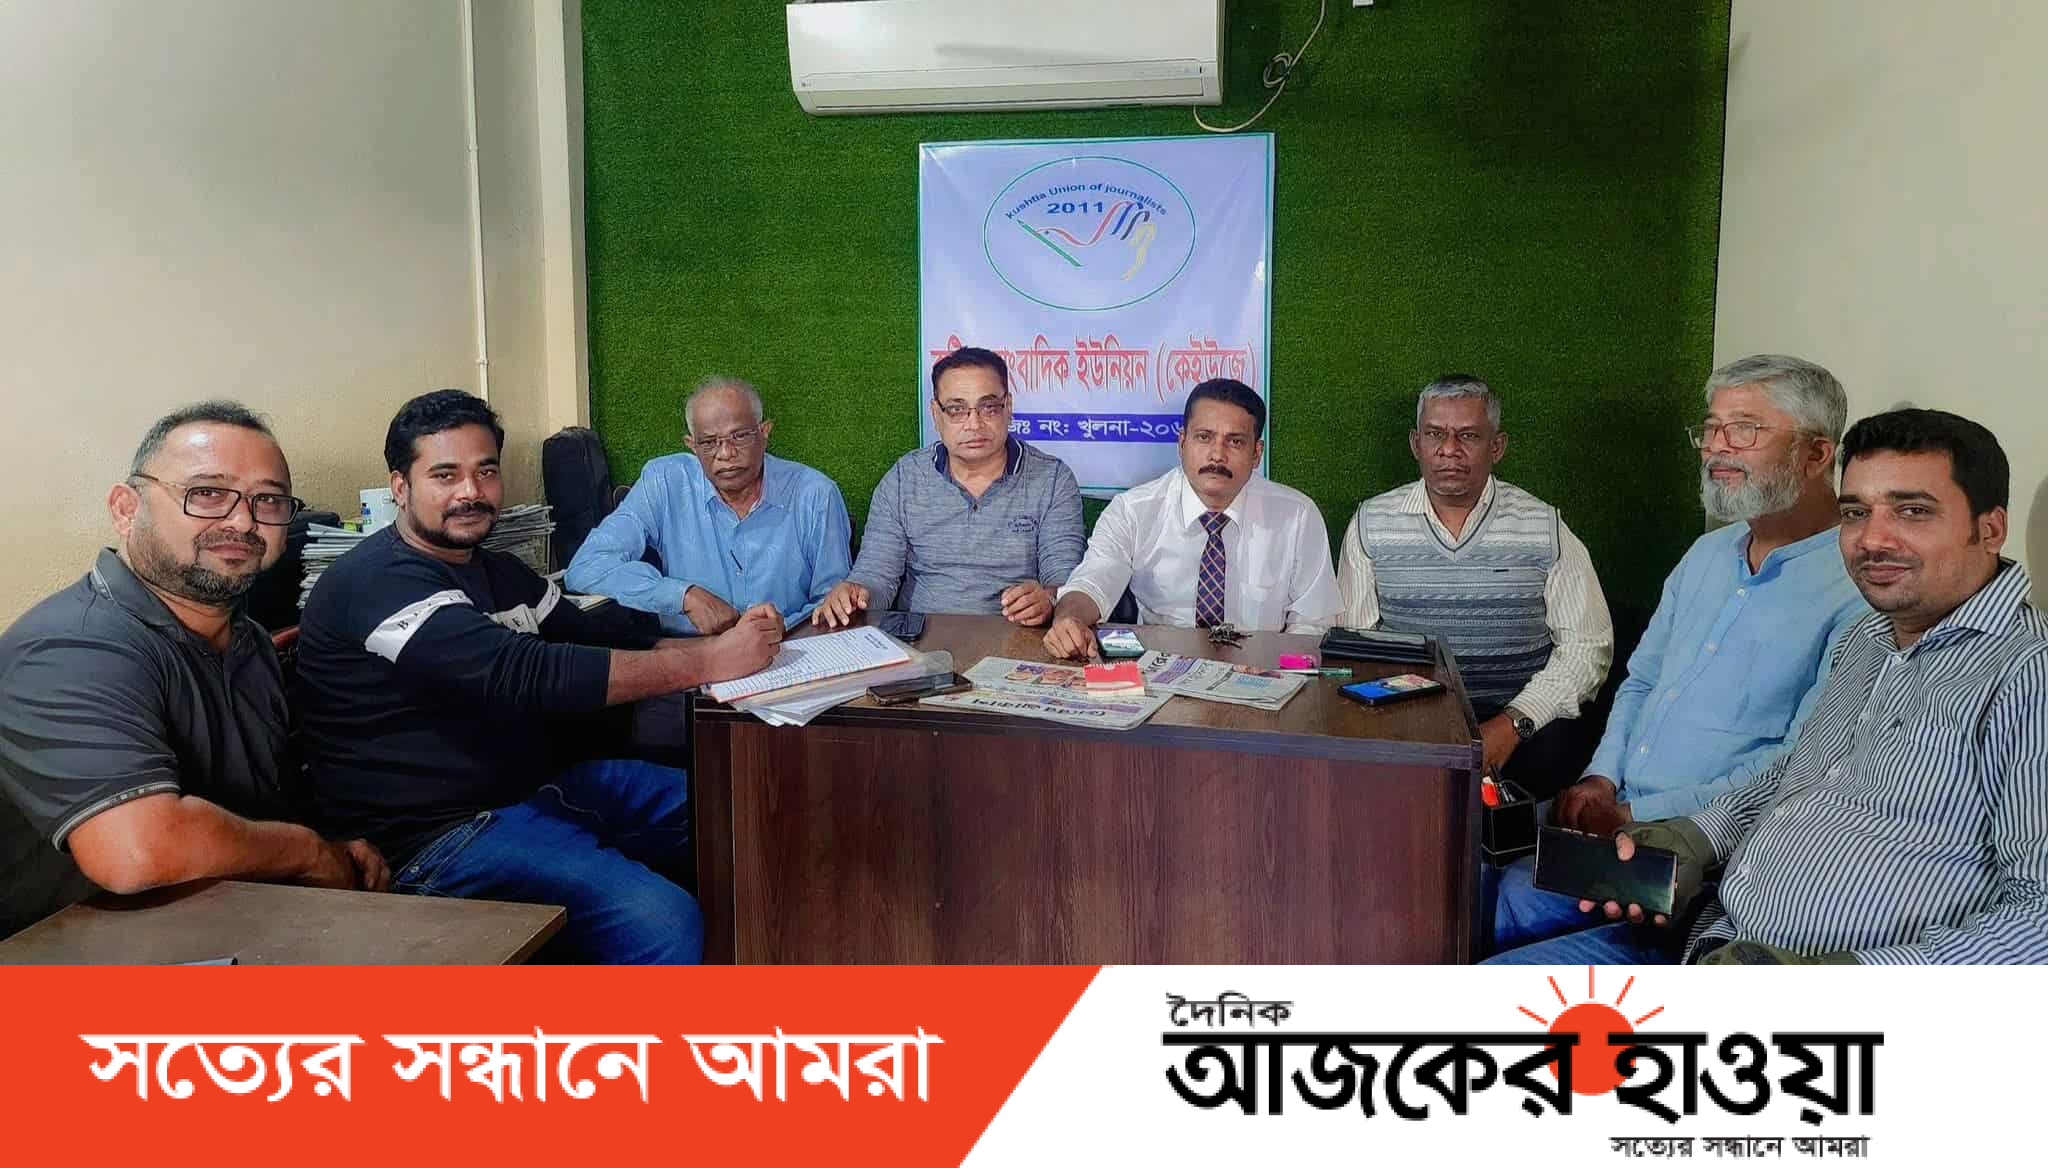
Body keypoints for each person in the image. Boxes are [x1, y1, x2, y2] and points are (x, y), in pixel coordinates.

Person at [1489, 408, 2046, 965]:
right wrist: (1695, 838)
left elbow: (2037, 921)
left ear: (1989, 529)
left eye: (1913, 511)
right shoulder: (1870, 639)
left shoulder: (2026, 676)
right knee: (1496, 917)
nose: (1873, 539)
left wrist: (1821, 977)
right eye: (1856, 513)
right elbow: (1794, 775)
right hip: (1712, 930)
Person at [298, 390, 782, 963]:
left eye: (485, 472)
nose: (470, 492)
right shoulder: (372, 582)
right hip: (439, 839)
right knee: (662, 922)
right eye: (445, 475)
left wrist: (733, 642)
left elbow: (591, 638)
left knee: (745, 810)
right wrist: (713, 661)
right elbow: (522, 672)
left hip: (541, 790)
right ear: (399, 487)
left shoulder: (500, 571)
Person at [1490, 355, 1868, 952]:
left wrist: (1636, 813)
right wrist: (1600, 778)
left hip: (1706, 853)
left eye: (1743, 430)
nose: (1716, 448)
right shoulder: (1706, 555)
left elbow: (1798, 763)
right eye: (1711, 429)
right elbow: (1641, 681)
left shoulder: (1857, 590)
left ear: (1817, 454)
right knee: (1456, 866)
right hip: (1611, 811)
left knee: (1508, 901)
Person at [0, 402, 387, 939]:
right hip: (73, 958)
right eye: (206, 493)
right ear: (126, 509)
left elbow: (258, 808)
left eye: (268, 500)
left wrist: (333, 845)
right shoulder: (68, 648)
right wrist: (307, 851)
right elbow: (136, 851)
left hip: (235, 924)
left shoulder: (248, 640)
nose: (243, 521)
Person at [1338, 375, 1614, 791]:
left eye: (1468, 435)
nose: (1449, 449)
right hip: (1409, 723)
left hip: (1522, 729)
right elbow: (1356, 647)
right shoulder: (1370, 524)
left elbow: (1588, 647)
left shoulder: (1544, 527)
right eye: (1435, 434)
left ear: (1496, 446)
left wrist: (1513, 723)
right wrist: (1414, 724)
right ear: (1416, 443)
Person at [1044, 378, 1341, 658]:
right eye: (1204, 437)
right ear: (1182, 442)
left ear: (1256, 453)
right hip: (1160, 670)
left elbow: (1312, 625)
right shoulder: (1133, 510)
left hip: (1263, 670)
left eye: (1235, 442)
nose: (1217, 455)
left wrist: (1277, 672)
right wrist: (1070, 618)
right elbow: (1093, 582)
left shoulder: (1297, 516)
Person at [813, 346, 1083, 628]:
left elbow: (1065, 583)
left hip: (1018, 637)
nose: (974, 424)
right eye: (956, 410)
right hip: (922, 639)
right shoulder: (905, 478)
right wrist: (856, 593)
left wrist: (1048, 600)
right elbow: (876, 577)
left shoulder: (1052, 479)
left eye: (989, 407)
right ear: (936, 414)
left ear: (1008, 407)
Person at [566, 375, 851, 632]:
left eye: (739, 436)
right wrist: (682, 595)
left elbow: (833, 601)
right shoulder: (664, 481)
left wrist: (782, 629)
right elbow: (586, 566)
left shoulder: (815, 494)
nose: (725, 453)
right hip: (691, 656)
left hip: (788, 650)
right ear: (691, 445)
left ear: (764, 432)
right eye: (709, 442)